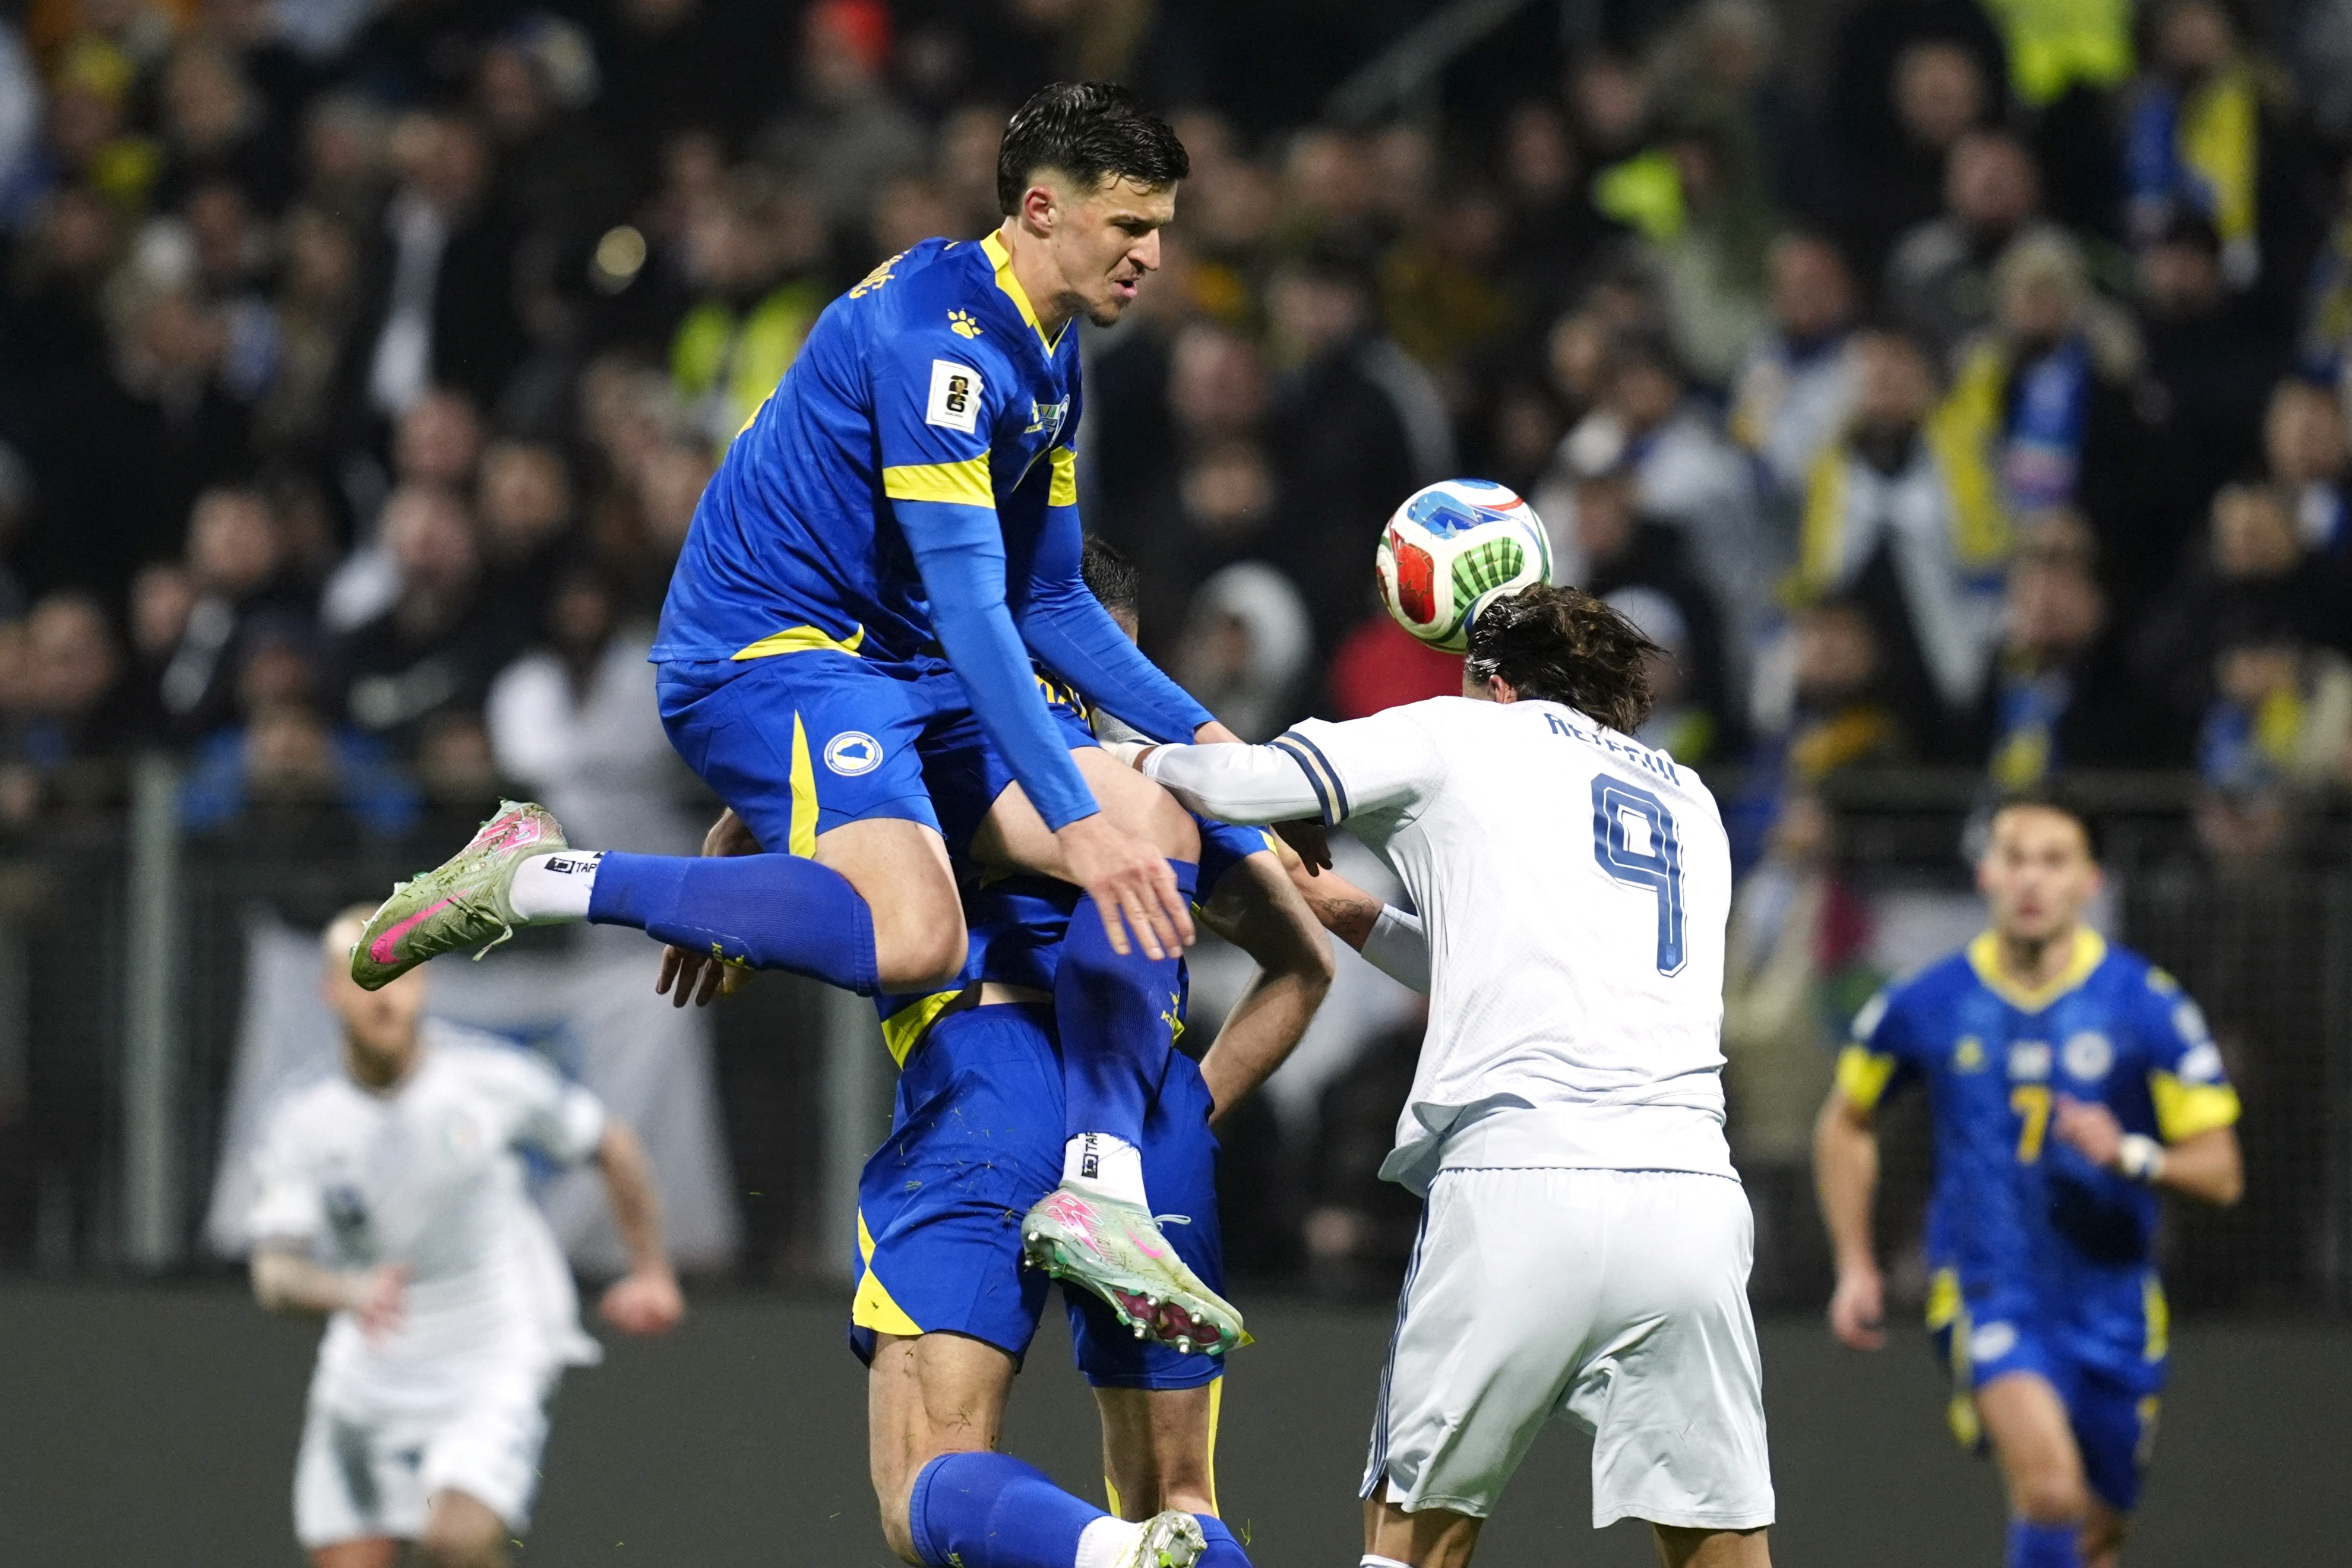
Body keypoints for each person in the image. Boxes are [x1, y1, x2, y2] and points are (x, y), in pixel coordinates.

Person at [349, 83, 1251, 1348]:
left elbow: (1052, 601)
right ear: (1043, 210)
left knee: (1146, 816)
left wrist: (1224, 756)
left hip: (885, 671)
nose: (1155, 254)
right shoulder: (940, 344)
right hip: (764, 656)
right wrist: (1064, 818)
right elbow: (981, 610)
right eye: (1132, 226)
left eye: (1161, 226)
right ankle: (537, 874)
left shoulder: (1046, 349)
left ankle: (1101, 1192)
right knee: (922, 932)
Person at [672, 539, 1335, 1568]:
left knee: (928, 1488)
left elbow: (796, 801)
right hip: (1146, 1124)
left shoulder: (937, 744)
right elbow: (1306, 968)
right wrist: (1181, 1116)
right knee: (1178, 1498)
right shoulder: (1166, 791)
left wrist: (721, 874)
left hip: (984, 1089)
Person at [1123, 584, 1775, 1566]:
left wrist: (1114, 756)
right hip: (1690, 1198)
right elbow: (1527, 964)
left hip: (1522, 1178)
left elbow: (1240, 780)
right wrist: (1360, 917)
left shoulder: (1461, 734)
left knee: (1412, 1546)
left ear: (1491, 680)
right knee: (1718, 1542)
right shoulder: (1691, 801)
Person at [1813, 795, 2245, 1568]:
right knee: (2048, 1489)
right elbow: (1845, 1122)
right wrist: (1855, 1263)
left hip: (2114, 1303)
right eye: (2015, 858)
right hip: (1988, 1290)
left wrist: (2133, 1155)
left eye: (2054, 860)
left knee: (2094, 1533)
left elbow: (2221, 1172)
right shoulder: (1931, 1001)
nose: (2032, 880)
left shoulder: (2144, 1005)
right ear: (1985, 873)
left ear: (2090, 880)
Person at [248, 905, 685, 1568]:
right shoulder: (302, 1118)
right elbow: (275, 1276)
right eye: (365, 977)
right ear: (330, 992)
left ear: (423, 984)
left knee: (452, 1539)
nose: (385, 996)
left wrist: (650, 1271)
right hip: (372, 1367)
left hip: (492, 1353)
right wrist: (346, 1290)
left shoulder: (489, 1080)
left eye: (399, 974)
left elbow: (611, 1145)